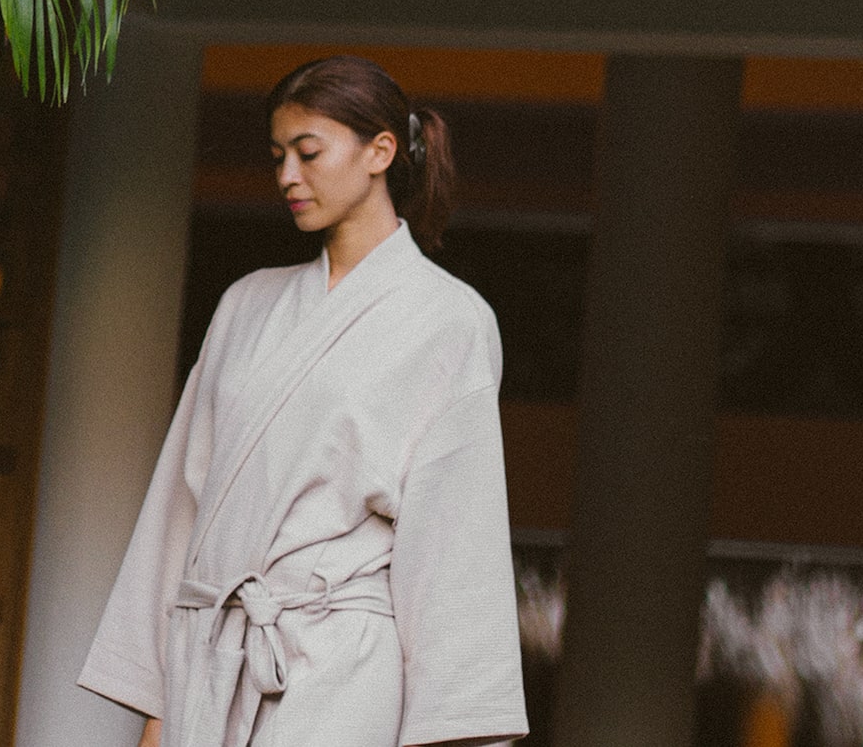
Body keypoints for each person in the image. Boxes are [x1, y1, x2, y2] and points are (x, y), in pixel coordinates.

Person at [78, 55, 528, 747]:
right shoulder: (246, 304)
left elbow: (453, 541)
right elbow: (182, 508)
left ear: (380, 151)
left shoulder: (449, 319)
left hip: (339, 666)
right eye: (278, 155)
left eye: (308, 152)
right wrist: (157, 703)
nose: (288, 176)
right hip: (214, 657)